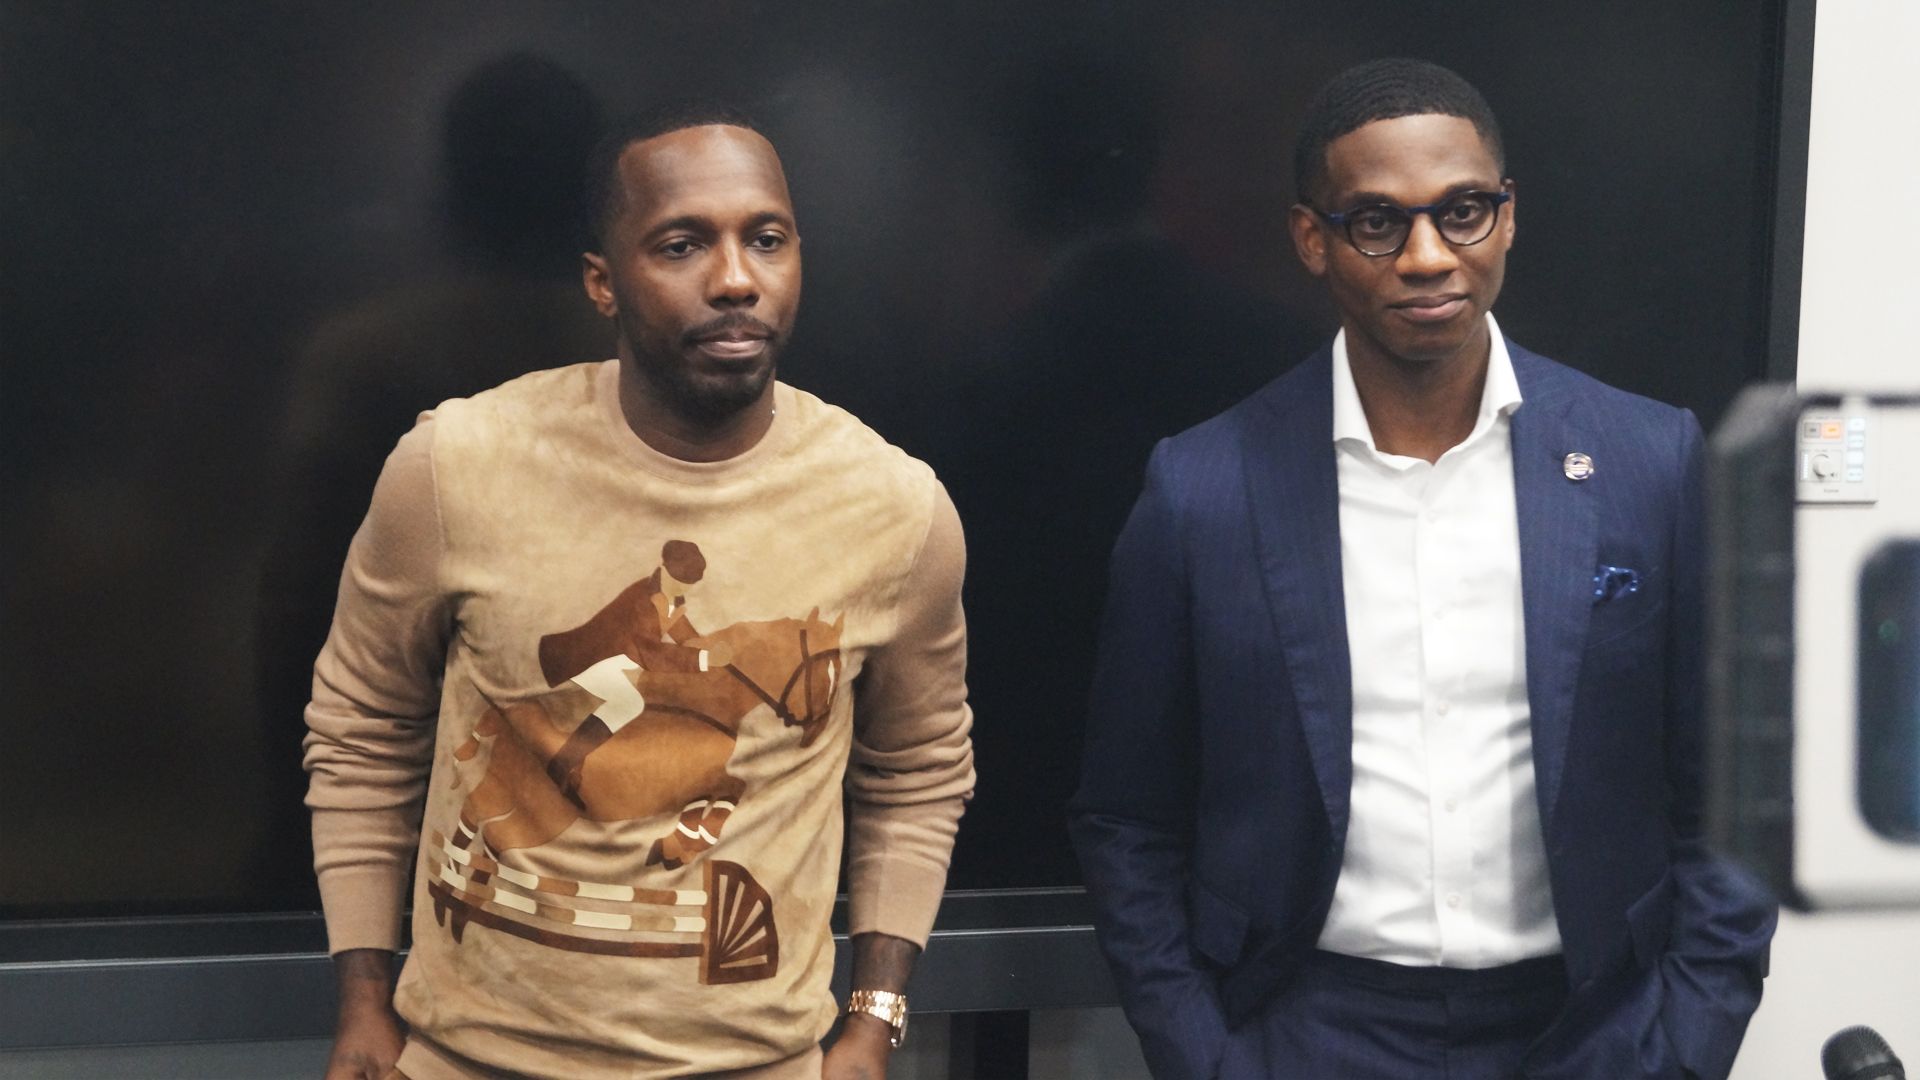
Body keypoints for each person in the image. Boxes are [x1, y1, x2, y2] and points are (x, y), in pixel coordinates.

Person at [1070, 59, 1775, 1080]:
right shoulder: (1203, 490)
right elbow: (1126, 816)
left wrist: (1683, 1046)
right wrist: (1205, 1055)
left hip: (1590, 1026)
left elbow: (1738, 793)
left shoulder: (1648, 461)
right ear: (1313, 238)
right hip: (1307, 1029)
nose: (1429, 256)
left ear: (1509, 215)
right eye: (1377, 222)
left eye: (1464, 212)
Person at [303, 102, 975, 1080]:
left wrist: (873, 1021)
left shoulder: (896, 511)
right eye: (682, 244)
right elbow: (362, 729)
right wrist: (363, 1000)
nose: (737, 279)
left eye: (768, 239)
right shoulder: (455, 467)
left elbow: (918, 771)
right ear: (603, 282)